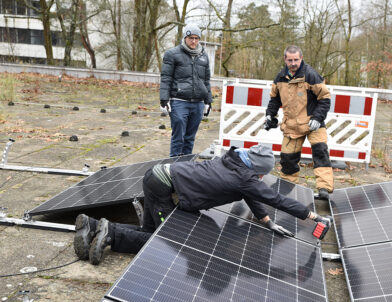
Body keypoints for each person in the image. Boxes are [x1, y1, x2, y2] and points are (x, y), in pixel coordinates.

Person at [73, 144, 332, 265]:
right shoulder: (244, 178)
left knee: (151, 231)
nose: (262, 179)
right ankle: (110, 234)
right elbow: (274, 198)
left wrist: (266, 220)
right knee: (163, 239)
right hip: (164, 187)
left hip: (157, 176)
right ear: (257, 170)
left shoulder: (235, 161)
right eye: (263, 174)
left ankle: (94, 225)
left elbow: (252, 195)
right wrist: (311, 216)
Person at [264, 45, 334, 200]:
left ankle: (324, 189)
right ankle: (287, 189)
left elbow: (325, 99)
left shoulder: (311, 75)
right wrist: (270, 115)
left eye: (296, 59)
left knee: (320, 153)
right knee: (288, 159)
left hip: (313, 124)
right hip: (292, 125)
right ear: (285, 59)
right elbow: (274, 100)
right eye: (290, 60)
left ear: (301, 58)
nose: (293, 63)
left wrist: (317, 118)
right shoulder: (280, 77)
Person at [160, 23, 213, 157]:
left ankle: (186, 168)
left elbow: (206, 80)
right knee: (178, 137)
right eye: (191, 38)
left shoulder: (204, 56)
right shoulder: (172, 54)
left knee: (190, 138)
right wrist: (164, 99)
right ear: (185, 37)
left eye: (196, 38)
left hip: (198, 103)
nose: (193, 41)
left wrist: (208, 101)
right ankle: (173, 168)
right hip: (179, 102)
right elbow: (166, 78)